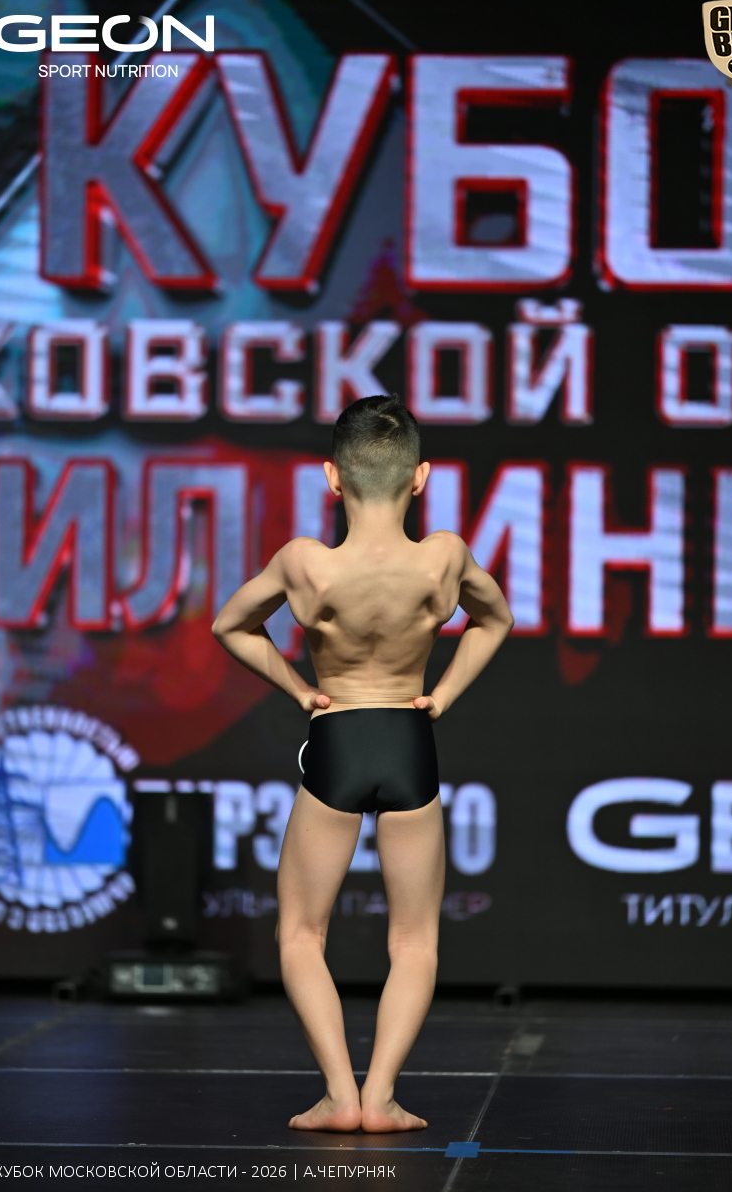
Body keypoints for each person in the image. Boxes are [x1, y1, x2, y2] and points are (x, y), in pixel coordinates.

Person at [212, 395, 513, 1133]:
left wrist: (299, 690)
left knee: (300, 934)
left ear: (331, 477)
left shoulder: (306, 564)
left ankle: (339, 1096)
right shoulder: (443, 556)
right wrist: (442, 695)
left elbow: (230, 626)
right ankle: (380, 1098)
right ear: (421, 477)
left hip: (338, 739)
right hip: (409, 741)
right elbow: (495, 619)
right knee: (414, 940)